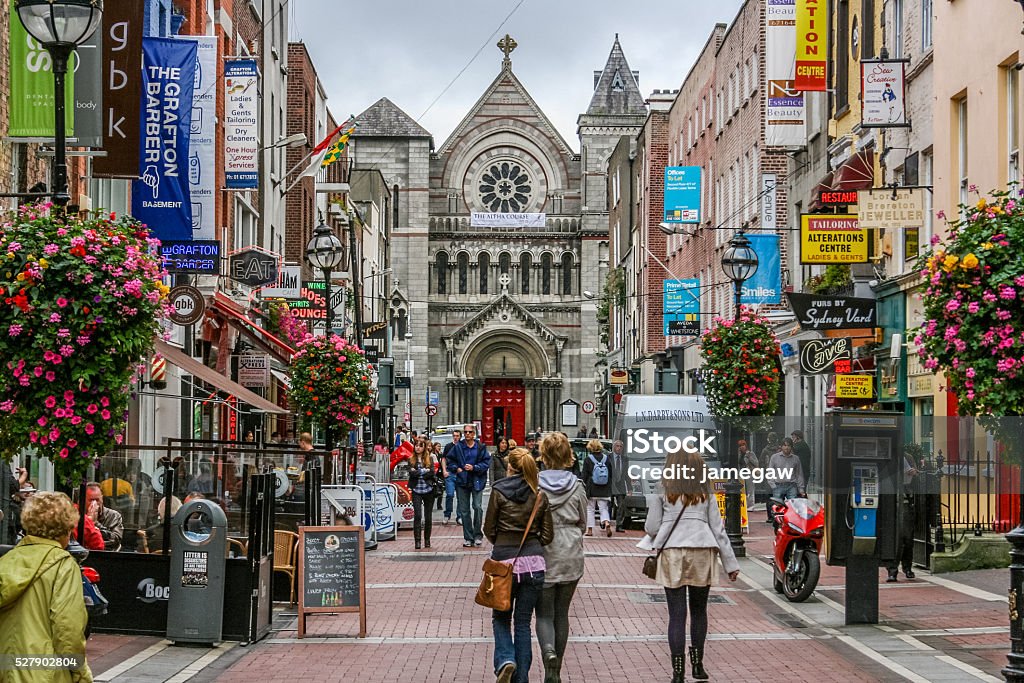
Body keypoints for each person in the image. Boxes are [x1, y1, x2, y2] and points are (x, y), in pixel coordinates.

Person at [643, 448, 740, 683]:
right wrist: (730, 563)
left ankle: (678, 671)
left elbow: (651, 527)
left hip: (673, 552)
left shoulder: (663, 487)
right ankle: (698, 665)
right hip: (702, 550)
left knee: (676, 615)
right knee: (699, 611)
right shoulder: (704, 489)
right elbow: (718, 527)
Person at [0, 491, 93, 682]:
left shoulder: (6, 561)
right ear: (65, 529)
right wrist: (80, 673)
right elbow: (67, 629)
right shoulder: (63, 565)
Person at [484, 447, 554, 683]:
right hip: (534, 565)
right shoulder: (539, 494)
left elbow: (489, 529)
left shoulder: (498, 491)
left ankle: (505, 659)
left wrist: (502, 543)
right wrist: (532, 545)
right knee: (523, 623)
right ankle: (521, 678)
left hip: (504, 562)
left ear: (509, 467)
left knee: (501, 618)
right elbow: (547, 535)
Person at [535, 433, 587, 683]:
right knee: (562, 613)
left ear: (543, 456)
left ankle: (548, 652)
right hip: (570, 553)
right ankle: (554, 671)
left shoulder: (534, 485)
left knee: (544, 613)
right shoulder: (577, 486)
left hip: (543, 552)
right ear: (568, 455)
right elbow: (584, 522)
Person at [449, 424, 491, 547]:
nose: (467, 434)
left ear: (474, 433)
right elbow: (450, 460)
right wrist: (456, 468)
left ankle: (478, 534)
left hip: (477, 480)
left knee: (477, 507)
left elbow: (486, 462)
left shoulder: (481, 447)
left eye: (470, 432)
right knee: (464, 510)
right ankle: (468, 537)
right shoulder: (458, 447)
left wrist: (475, 467)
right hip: (462, 481)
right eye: (465, 432)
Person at [887, 450, 921, 582]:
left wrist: (914, 473)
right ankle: (892, 570)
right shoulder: (887, 455)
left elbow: (917, 475)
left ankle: (907, 568)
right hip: (891, 501)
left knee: (907, 538)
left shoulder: (908, 457)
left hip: (906, 499)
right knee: (893, 538)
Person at [406, 438, 438, 549]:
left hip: (428, 490)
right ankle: (417, 541)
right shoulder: (411, 459)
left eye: (420, 445)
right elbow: (411, 473)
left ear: (424, 447)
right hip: (416, 490)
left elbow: (432, 472)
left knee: (428, 517)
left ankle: (427, 540)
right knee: (418, 515)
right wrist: (424, 471)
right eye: (416, 445)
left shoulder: (429, 459)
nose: (418, 447)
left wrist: (419, 472)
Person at [582, 439, 614, 537]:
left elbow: (584, 475)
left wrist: (584, 485)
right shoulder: (606, 458)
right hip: (604, 487)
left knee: (590, 509)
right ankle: (606, 522)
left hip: (592, 488)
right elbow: (611, 474)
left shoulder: (588, 459)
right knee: (603, 508)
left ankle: (590, 530)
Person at [85, 482, 124, 551]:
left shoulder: (113, 516)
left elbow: (115, 540)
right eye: (91, 500)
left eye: (97, 500)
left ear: (102, 498)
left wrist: (95, 524)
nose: (94, 504)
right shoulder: (76, 515)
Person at [767, 438, 805, 508]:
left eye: (788, 445)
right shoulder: (774, 457)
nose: (786, 447)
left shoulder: (796, 458)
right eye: (784, 445)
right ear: (781, 446)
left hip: (791, 486)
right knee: (777, 508)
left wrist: (801, 489)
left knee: (793, 508)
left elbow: (799, 474)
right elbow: (770, 471)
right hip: (778, 485)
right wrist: (772, 485)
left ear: (791, 447)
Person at [441, 429, 463, 525]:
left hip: (460, 474)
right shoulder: (448, 446)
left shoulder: (463, 446)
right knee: (449, 494)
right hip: (450, 473)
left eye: (457, 435)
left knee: (460, 497)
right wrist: (444, 471)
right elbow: (443, 458)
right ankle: (447, 514)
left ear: (460, 437)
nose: (456, 437)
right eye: (454, 435)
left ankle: (459, 516)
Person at [609, 439, 630, 532]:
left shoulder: (625, 459)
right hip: (610, 484)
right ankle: (606, 522)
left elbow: (626, 474)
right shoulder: (608, 457)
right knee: (608, 505)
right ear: (614, 447)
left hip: (620, 485)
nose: (619, 448)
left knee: (621, 505)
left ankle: (619, 525)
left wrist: (629, 488)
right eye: (617, 446)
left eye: (621, 446)